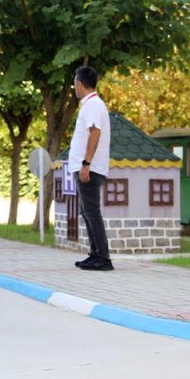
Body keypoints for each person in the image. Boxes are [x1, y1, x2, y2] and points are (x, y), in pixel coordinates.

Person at [68, 66, 114, 271]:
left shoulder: (93, 105)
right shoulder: (90, 105)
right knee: (87, 212)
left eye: (75, 83)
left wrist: (86, 163)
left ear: (80, 83)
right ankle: (95, 254)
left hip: (90, 168)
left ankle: (103, 258)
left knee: (92, 212)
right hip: (86, 167)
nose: (74, 87)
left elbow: (95, 133)